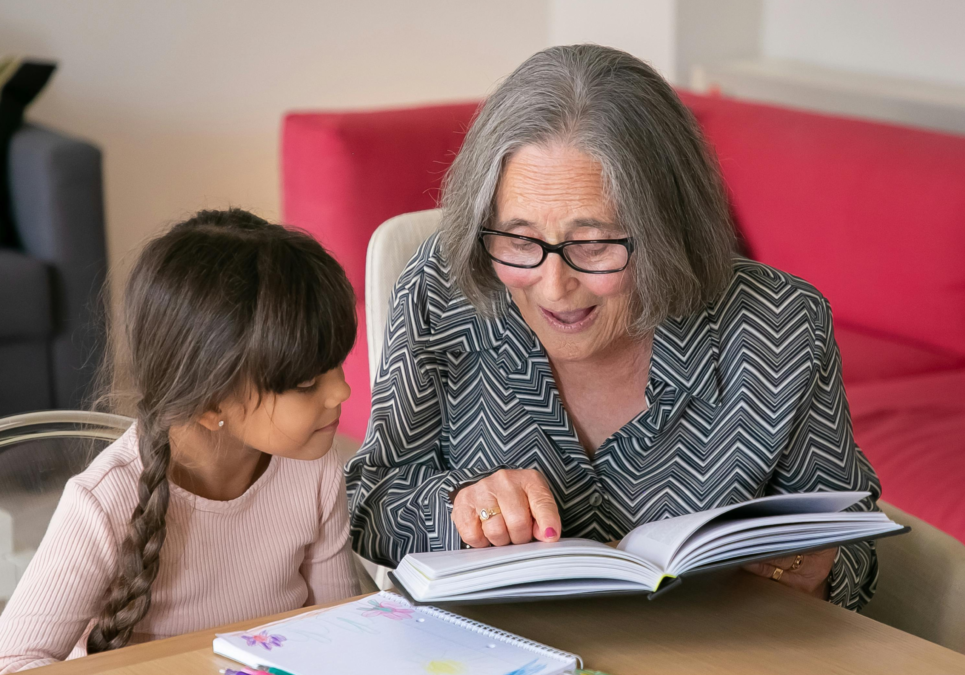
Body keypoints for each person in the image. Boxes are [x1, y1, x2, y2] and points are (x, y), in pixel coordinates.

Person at [346, 44, 883, 611]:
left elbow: (850, 532)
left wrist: (814, 566)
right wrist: (457, 505)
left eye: (595, 244)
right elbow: (372, 499)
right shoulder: (445, 287)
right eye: (520, 240)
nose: (553, 287)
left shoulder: (780, 325)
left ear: (667, 231)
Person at [0, 210, 360, 671]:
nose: (341, 391)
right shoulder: (103, 502)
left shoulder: (314, 466)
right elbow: (14, 662)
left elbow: (341, 632)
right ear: (210, 405)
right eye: (308, 382)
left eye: (337, 363)